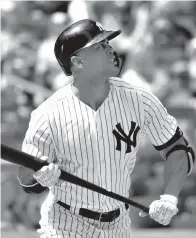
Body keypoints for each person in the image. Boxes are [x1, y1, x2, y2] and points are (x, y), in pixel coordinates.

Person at [17, 19, 195, 238]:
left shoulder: (139, 99)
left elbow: (178, 149)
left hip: (118, 224)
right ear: (78, 62)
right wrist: (39, 176)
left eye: (108, 43)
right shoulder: (48, 112)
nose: (111, 50)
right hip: (64, 223)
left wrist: (169, 197)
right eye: (100, 46)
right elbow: (27, 178)